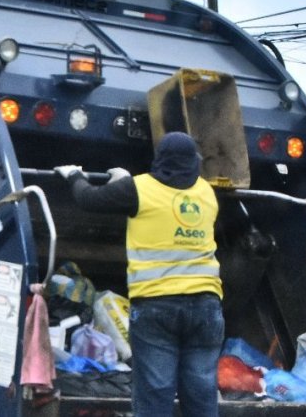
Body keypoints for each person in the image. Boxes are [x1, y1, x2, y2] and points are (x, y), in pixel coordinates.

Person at [55, 131, 223, 417]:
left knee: (156, 393)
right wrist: (124, 179)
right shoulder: (206, 192)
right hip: (206, 308)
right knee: (202, 391)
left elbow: (89, 200)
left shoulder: (139, 189)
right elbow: (166, 204)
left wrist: (73, 175)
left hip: (157, 308)